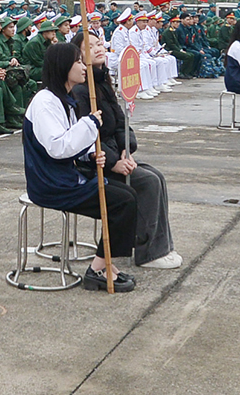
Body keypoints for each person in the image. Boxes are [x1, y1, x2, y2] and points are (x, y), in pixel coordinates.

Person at [22, 42, 137, 293]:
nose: (83, 66)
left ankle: (106, 263)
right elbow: (58, 147)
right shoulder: (45, 102)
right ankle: (97, 268)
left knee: (126, 195)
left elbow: (73, 143)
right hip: (51, 183)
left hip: (66, 176)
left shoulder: (65, 99)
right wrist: (89, 124)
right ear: (63, 67)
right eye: (77, 62)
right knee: (122, 202)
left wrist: (90, 156)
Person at [69, 30, 178, 269]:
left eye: (100, 44)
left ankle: (161, 246)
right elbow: (88, 138)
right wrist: (112, 162)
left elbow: (121, 123)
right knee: (147, 182)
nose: (99, 48)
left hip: (117, 155)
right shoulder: (80, 90)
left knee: (156, 177)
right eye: (92, 46)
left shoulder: (104, 81)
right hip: (94, 164)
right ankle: (148, 252)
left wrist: (127, 151)